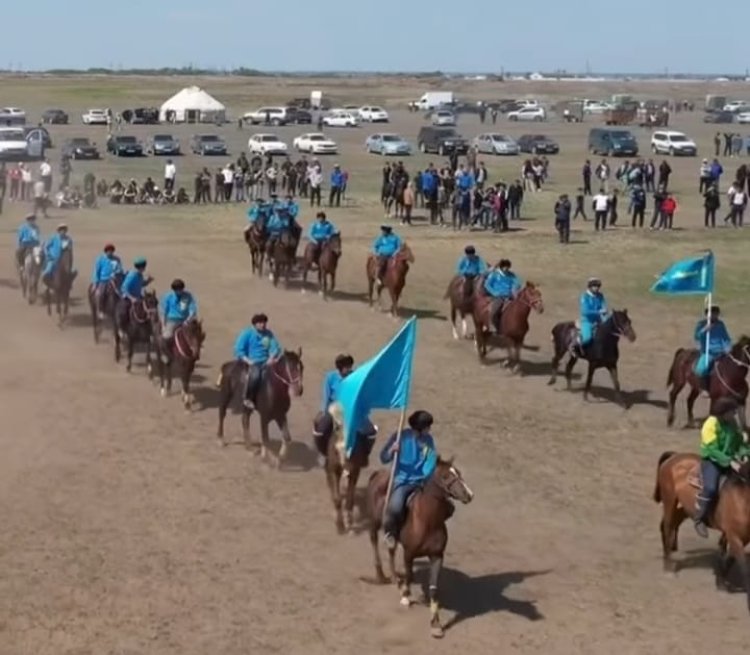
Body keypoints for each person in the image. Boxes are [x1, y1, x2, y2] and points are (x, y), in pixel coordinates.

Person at [380, 410, 438, 548]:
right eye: (427, 426)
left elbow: (430, 459)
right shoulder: (400, 436)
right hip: (403, 481)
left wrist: (425, 475)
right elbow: (383, 458)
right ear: (419, 427)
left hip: (422, 481)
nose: (429, 429)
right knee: (395, 507)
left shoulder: (428, 440)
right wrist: (391, 451)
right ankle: (391, 533)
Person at [694, 397, 750, 538]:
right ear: (723, 412)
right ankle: (699, 518)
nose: (735, 415)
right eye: (732, 412)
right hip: (712, 461)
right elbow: (712, 448)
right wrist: (729, 461)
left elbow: (739, 442)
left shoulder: (731, 423)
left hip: (730, 459)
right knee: (711, 488)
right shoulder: (710, 424)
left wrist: (744, 454)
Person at [233, 313, 282, 411]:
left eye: (264, 322)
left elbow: (275, 347)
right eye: (260, 323)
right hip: (251, 361)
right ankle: (249, 398)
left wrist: (271, 358)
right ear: (255, 324)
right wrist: (247, 360)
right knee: (255, 376)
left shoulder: (269, 334)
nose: (263, 325)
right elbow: (238, 348)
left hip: (266, 361)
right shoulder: (247, 333)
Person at [694, 305, 732, 391]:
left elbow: (725, 338)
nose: (715, 316)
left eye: (716, 314)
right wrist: (704, 330)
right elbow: (697, 337)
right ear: (707, 314)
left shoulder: (720, 324)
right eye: (712, 314)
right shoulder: (701, 324)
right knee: (701, 369)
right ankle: (703, 387)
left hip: (722, 352)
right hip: (708, 352)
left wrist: (728, 347)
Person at [483, 259, 521, 333]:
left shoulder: (511, 275)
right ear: (501, 267)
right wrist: (494, 292)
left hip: (510, 296)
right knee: (494, 313)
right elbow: (487, 285)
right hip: (498, 297)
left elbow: (517, 282)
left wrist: (516, 287)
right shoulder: (495, 275)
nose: (506, 269)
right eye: (505, 267)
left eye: (508, 267)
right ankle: (496, 328)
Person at [117, 257, 152, 332]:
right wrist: (131, 298)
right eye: (143, 267)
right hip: (128, 298)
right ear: (140, 267)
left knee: (149, 307)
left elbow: (141, 284)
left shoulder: (140, 275)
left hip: (138, 297)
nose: (144, 269)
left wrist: (148, 281)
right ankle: (121, 329)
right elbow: (124, 288)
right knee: (123, 312)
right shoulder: (132, 275)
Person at [91, 243, 124, 319]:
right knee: (100, 294)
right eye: (108, 251)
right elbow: (96, 271)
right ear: (105, 251)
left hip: (114, 280)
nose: (110, 252)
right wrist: (95, 282)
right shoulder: (100, 259)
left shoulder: (117, 259)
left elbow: (120, 269)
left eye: (111, 251)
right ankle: (100, 310)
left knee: (121, 294)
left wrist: (116, 273)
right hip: (104, 280)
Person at [160, 278, 198, 343]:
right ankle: (167, 352)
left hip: (185, 320)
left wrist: (188, 320)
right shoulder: (168, 297)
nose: (179, 291)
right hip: (172, 321)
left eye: (180, 289)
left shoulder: (188, 296)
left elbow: (192, 309)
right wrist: (163, 325)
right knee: (166, 337)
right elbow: (163, 312)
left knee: (195, 335)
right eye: (176, 290)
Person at [578, 277, 608, 349]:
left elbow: (603, 306)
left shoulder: (600, 296)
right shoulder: (585, 297)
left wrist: (605, 312)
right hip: (587, 321)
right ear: (590, 286)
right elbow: (585, 311)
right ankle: (576, 347)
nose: (596, 288)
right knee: (587, 338)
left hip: (599, 320)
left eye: (598, 286)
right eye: (594, 286)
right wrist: (598, 312)